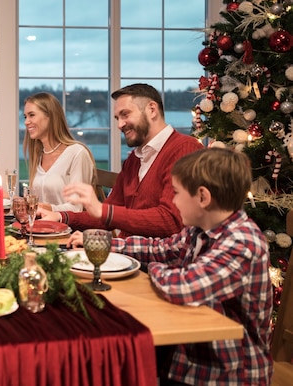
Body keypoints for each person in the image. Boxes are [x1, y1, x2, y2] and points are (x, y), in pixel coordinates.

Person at [68, 148, 273, 385]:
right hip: (190, 356)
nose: (173, 201)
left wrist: (153, 269)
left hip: (226, 372)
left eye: (176, 193)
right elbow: (161, 249)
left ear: (203, 198)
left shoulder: (242, 242)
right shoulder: (200, 228)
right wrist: (108, 244)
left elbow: (181, 286)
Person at [39, 83, 203, 238]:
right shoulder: (134, 159)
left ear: (152, 110)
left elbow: (171, 220)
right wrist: (60, 216)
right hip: (124, 253)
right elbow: (103, 215)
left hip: (154, 261)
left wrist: (104, 212)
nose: (119, 124)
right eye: (117, 118)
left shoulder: (185, 149)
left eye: (125, 114)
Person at [23, 92, 96, 212]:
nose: (26, 122)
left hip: (69, 229)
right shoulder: (39, 154)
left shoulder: (77, 153)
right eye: (25, 117)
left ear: (51, 117)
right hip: (42, 227)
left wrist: (43, 207)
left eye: (32, 115)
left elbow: (77, 208)